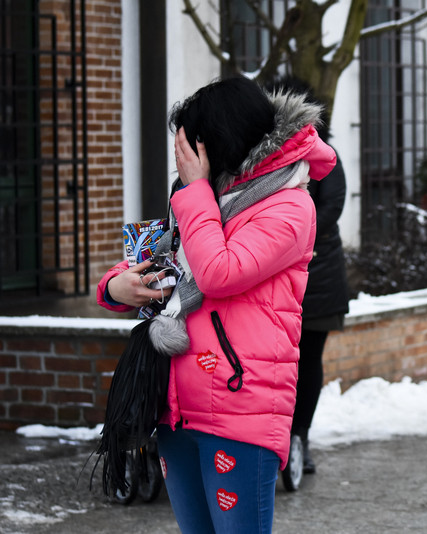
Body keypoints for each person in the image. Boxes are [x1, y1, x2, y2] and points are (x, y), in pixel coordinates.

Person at [96, 75, 336, 533]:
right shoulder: (208, 198)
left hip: (240, 405)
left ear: (219, 142)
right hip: (176, 403)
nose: (183, 159)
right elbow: (157, 261)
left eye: (191, 146)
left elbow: (218, 272)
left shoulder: (289, 205)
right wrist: (116, 286)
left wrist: (196, 192)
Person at [265, 78, 350, 483]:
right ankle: (273, 436)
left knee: (307, 360)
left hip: (318, 277)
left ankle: (300, 436)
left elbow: (330, 207)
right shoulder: (261, 156)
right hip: (272, 278)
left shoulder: (323, 157)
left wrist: (292, 241)